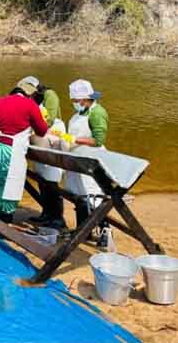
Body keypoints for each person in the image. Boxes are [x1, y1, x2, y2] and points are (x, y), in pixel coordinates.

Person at [0, 78, 49, 224]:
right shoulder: (30, 104)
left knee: (3, 182)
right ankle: (4, 220)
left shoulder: (1, 101)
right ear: (30, 93)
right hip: (11, 150)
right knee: (12, 185)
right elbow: (42, 131)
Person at [64, 79, 111, 247]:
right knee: (79, 195)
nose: (74, 103)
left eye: (75, 100)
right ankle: (83, 231)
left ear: (84, 99)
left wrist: (75, 139)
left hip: (92, 160)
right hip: (78, 160)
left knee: (94, 197)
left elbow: (98, 140)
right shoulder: (79, 113)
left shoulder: (97, 112)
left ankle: (105, 232)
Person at [21, 76, 67, 230]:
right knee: (41, 177)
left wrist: (34, 127)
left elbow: (50, 119)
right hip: (39, 137)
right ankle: (46, 213)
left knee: (51, 177)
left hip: (52, 136)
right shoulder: (31, 98)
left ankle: (58, 218)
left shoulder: (50, 95)